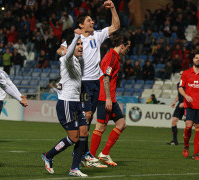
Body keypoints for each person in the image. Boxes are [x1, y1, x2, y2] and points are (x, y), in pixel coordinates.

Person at [56, 0, 120, 167]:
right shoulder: (75, 40)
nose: (92, 23)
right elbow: (59, 50)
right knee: (88, 116)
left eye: (92, 20)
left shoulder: (97, 35)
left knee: (88, 121)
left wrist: (113, 8)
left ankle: (82, 150)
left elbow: (115, 26)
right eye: (89, 21)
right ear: (81, 24)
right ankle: (83, 151)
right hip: (82, 82)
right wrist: (65, 50)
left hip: (96, 82)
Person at [41, 29, 89, 177]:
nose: (81, 46)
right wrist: (76, 36)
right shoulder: (66, 59)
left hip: (76, 102)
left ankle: (74, 168)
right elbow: (65, 51)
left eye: (82, 44)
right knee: (74, 137)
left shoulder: (77, 60)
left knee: (84, 133)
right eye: (78, 44)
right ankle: (48, 155)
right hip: (66, 103)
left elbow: (63, 48)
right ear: (70, 47)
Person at [90, 35, 130, 166]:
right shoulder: (112, 57)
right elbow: (106, 78)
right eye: (127, 47)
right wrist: (107, 98)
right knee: (100, 127)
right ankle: (90, 158)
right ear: (122, 45)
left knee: (121, 124)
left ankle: (104, 153)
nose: (127, 50)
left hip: (110, 98)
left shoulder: (114, 57)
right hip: (105, 98)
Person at [179, 52, 199, 160]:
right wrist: (186, 96)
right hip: (189, 105)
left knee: (198, 128)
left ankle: (196, 154)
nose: (198, 60)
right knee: (188, 126)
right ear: (193, 59)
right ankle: (186, 145)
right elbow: (180, 88)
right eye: (196, 58)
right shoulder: (186, 73)